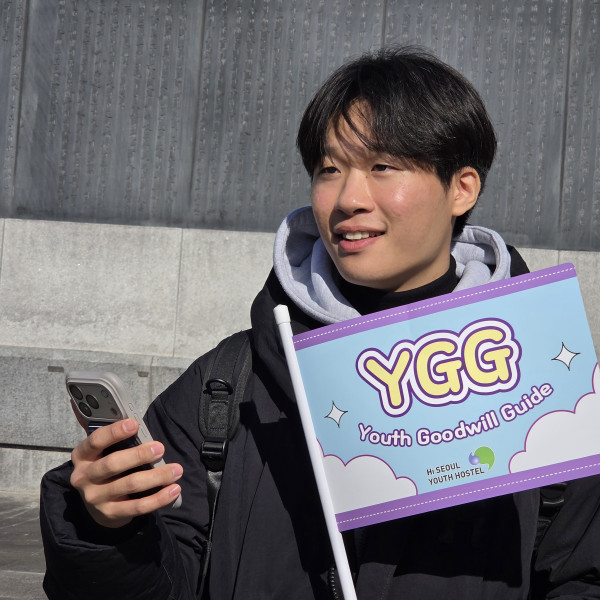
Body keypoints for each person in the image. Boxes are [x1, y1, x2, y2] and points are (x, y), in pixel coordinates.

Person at [40, 46, 600, 599]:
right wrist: (105, 529)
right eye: (329, 170)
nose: (349, 198)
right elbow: (164, 581)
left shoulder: (549, 385)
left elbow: (581, 575)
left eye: (382, 166)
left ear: (462, 188)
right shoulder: (227, 384)